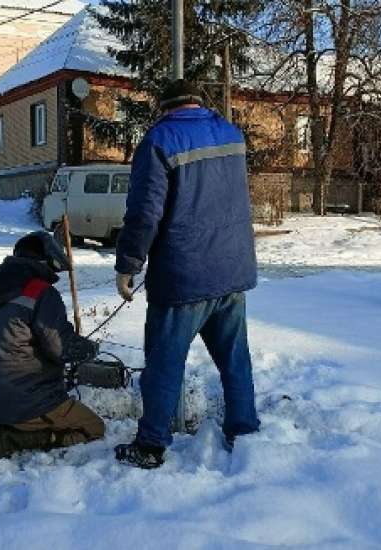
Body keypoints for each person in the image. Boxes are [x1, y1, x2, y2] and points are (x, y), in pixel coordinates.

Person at [113, 79, 260, 469]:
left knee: (164, 362)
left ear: (163, 107)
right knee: (234, 359)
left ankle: (151, 445)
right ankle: (243, 432)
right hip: (232, 268)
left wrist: (128, 265)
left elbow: (145, 213)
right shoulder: (230, 133)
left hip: (184, 276)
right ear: (198, 103)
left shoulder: (160, 141)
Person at [0, 231, 104, 458]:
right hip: (26, 399)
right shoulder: (40, 291)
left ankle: (9, 427)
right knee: (94, 427)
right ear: (45, 260)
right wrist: (89, 348)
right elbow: (60, 348)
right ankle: (4, 439)